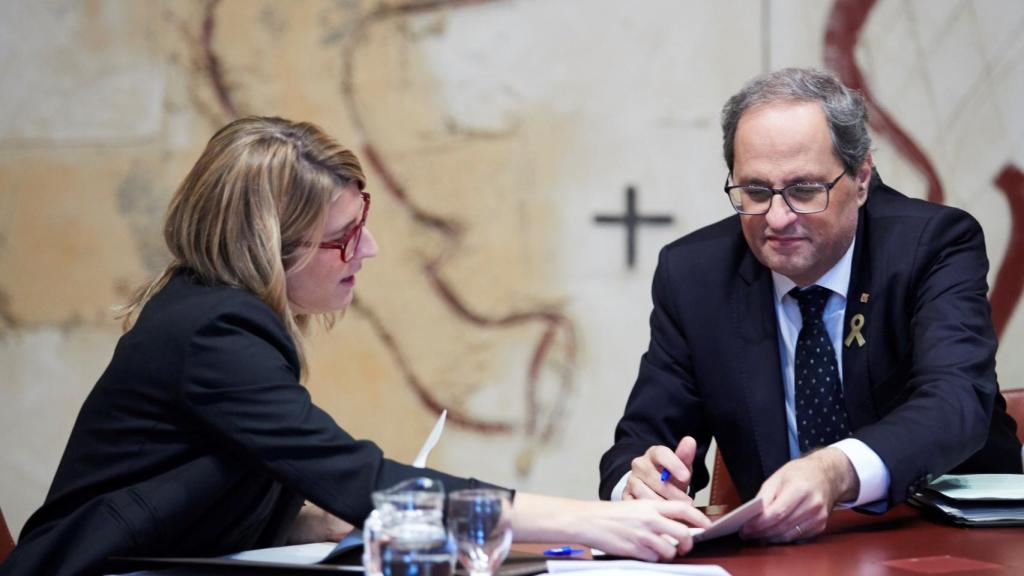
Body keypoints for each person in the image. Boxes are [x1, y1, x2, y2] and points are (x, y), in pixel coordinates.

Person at [0, 116, 709, 576]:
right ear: (269, 248)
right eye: (341, 237)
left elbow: (258, 490)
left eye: (360, 221)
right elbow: (360, 478)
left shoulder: (208, 314)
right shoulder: (215, 333)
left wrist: (370, 523)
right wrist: (600, 522)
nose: (366, 249)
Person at [599, 68, 1022, 543]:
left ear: (861, 178)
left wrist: (835, 468)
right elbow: (640, 441)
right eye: (756, 192)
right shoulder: (695, 276)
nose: (778, 219)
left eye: (803, 190)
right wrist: (639, 486)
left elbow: (954, 403)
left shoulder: (931, 245)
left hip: (962, 540)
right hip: (792, 554)